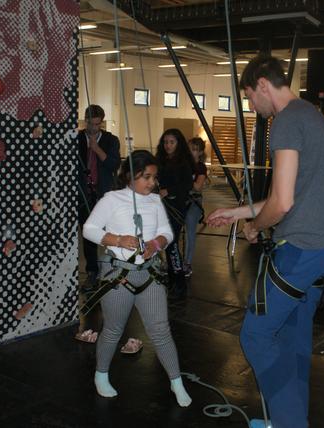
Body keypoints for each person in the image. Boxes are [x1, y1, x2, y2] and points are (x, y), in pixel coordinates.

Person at [206, 55, 324, 428]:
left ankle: (289, 424)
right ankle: (291, 419)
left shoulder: (285, 121)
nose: (252, 106)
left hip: (300, 251)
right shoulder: (316, 119)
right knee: (293, 337)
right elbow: (294, 194)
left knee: (256, 335)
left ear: (263, 84)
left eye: (249, 96)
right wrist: (237, 213)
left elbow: (281, 204)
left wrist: (254, 227)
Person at [82, 150, 192, 407]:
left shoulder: (154, 200)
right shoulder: (112, 199)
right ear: (130, 176)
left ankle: (177, 382)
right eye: (146, 177)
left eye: (154, 177)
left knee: (161, 330)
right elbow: (89, 229)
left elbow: (166, 232)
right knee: (113, 329)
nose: (152, 182)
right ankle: (101, 375)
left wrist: (155, 244)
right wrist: (118, 240)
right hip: (118, 276)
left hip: (149, 274)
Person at [78, 104, 120, 289]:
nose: (94, 128)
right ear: (85, 121)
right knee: (88, 235)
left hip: (103, 194)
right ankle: (92, 272)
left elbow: (113, 165)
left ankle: (114, 269)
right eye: (90, 124)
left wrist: (96, 149)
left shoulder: (111, 140)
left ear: (101, 122)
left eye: (97, 124)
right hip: (83, 195)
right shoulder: (78, 139)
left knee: (110, 233)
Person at [155, 129, 194, 298]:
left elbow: (187, 185)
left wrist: (168, 190)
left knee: (172, 244)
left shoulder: (184, 162)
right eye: (165, 142)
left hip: (176, 208)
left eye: (171, 142)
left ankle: (179, 282)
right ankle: (173, 279)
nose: (168, 145)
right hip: (162, 208)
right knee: (166, 244)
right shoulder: (160, 160)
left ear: (178, 143)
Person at [183, 137, 208, 277]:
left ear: (200, 152)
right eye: (189, 149)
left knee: (190, 233)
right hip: (181, 200)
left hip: (193, 201)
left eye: (194, 150)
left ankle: (187, 263)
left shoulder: (200, 167)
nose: (190, 152)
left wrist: (184, 177)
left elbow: (198, 187)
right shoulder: (181, 165)